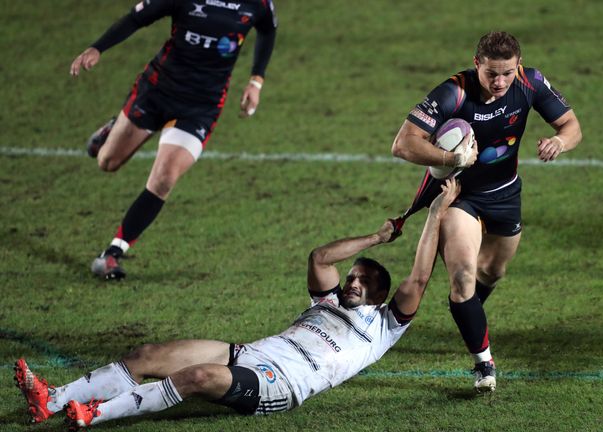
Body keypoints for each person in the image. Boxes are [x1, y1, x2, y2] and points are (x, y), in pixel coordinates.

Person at [13, 180, 462, 428]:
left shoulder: (385, 326)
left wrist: (439, 211)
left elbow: (420, 276)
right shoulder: (326, 301)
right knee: (147, 355)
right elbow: (321, 257)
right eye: (353, 277)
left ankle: (94, 414)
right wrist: (377, 237)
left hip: (281, 384)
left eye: (362, 281)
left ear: (381, 295)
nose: (352, 283)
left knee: (197, 377)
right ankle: (51, 401)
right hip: (251, 353)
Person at [391, 31, 582, 393]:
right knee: (463, 278)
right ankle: (484, 364)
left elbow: (572, 126)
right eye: (491, 73)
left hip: (506, 195)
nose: (499, 82)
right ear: (476, 63)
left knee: (493, 271)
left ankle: (468, 316)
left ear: (518, 66)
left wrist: (559, 141)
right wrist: (452, 158)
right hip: (460, 196)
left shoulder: (530, 82)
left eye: (507, 73)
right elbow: (403, 144)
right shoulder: (454, 92)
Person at [70, 0, 278, 280]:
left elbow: (267, 30)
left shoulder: (258, 3)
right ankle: (114, 127)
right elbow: (136, 18)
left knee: (165, 177)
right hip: (157, 91)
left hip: (201, 107)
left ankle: (112, 253)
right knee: (107, 162)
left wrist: (256, 80)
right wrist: (97, 47)